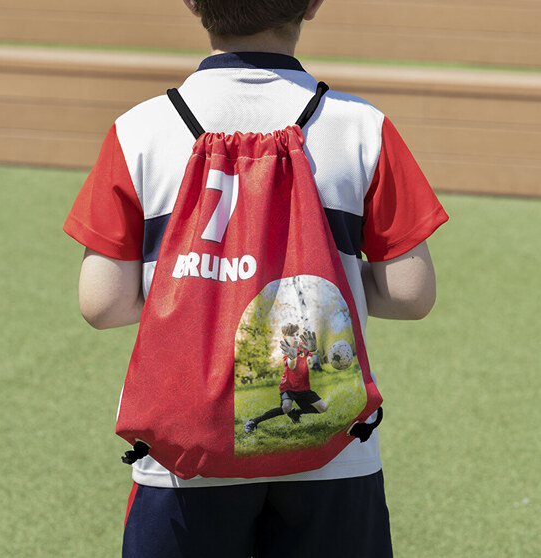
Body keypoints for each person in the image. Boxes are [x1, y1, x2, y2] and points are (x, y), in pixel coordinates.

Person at [63, 0, 448, 556]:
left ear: (193, 3)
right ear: (312, 4)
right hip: (336, 456)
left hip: (184, 457)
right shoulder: (362, 126)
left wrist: (210, 287)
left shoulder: (137, 130)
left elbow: (103, 304)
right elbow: (411, 295)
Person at [244, 324, 327, 433]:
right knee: (286, 407)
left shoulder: (302, 346)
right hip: (288, 387)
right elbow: (291, 365)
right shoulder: (286, 349)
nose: (296, 337)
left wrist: (314, 350)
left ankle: (296, 413)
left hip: (303, 388)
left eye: (297, 334)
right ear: (285, 337)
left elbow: (313, 355)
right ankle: (253, 421)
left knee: (323, 407)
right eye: (292, 336)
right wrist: (292, 356)